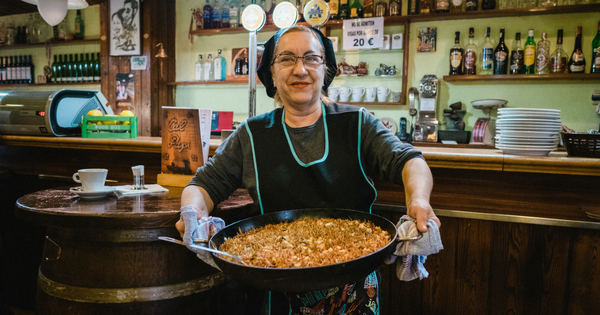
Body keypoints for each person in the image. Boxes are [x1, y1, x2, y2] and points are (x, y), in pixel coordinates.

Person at [176, 25, 440, 315]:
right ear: (272, 74)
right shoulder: (251, 135)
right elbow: (203, 184)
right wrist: (193, 214)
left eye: (311, 58)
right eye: (287, 59)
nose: (300, 69)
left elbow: (409, 160)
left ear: (324, 70)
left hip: (355, 289)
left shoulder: (357, 123)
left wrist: (418, 200)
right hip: (277, 286)